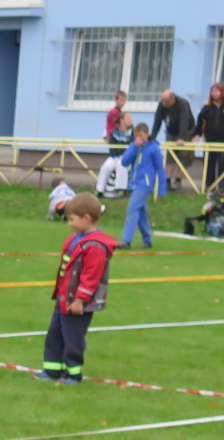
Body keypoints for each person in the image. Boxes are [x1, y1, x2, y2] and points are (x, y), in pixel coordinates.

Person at [31, 193, 118, 386]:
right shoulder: (75, 239)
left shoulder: (95, 245)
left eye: (71, 219)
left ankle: (73, 374)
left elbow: (91, 276)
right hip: (64, 298)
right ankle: (52, 370)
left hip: (77, 302)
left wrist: (80, 300)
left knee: (73, 338)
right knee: (55, 335)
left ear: (86, 218)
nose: (69, 224)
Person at [120, 122, 165, 249]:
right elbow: (124, 162)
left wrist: (161, 190)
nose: (139, 138)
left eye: (141, 136)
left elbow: (160, 169)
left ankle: (126, 240)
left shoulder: (154, 149)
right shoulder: (134, 146)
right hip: (134, 183)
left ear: (147, 134)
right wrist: (134, 147)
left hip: (145, 184)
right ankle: (147, 240)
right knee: (141, 213)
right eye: (137, 136)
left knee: (132, 208)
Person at [153, 89, 195, 194]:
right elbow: (157, 121)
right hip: (171, 131)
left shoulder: (183, 104)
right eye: (162, 101)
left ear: (173, 99)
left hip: (187, 131)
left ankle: (178, 180)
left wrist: (182, 138)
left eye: (166, 102)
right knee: (170, 155)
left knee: (184, 156)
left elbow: (184, 122)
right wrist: (152, 137)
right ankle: (167, 181)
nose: (163, 104)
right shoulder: (162, 105)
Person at [98, 111, 134, 197]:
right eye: (128, 118)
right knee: (106, 166)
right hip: (115, 156)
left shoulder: (133, 132)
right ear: (122, 120)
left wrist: (122, 156)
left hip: (127, 157)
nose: (131, 120)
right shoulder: (114, 132)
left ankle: (120, 189)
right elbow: (112, 146)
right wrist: (115, 157)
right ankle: (100, 189)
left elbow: (131, 146)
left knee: (121, 164)